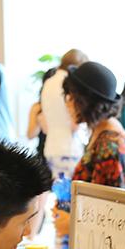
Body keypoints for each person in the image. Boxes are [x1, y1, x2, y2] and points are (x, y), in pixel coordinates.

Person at [67, 62, 125, 190]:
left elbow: (108, 204)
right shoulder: (103, 133)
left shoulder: (109, 145)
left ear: (84, 102)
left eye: (72, 97)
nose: (68, 102)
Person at [40, 49, 89, 179]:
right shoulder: (69, 85)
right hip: (68, 147)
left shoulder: (48, 83)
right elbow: (75, 124)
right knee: (71, 195)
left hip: (51, 146)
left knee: (59, 192)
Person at [27, 67, 58, 158]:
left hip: (62, 152)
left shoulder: (68, 106)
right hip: (43, 154)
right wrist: (40, 118)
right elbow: (30, 135)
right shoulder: (38, 107)